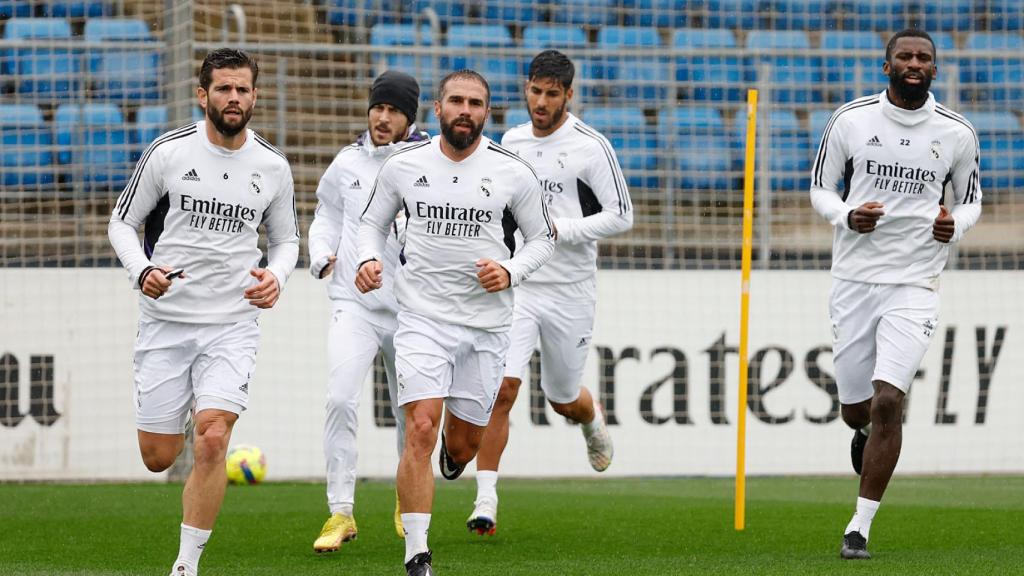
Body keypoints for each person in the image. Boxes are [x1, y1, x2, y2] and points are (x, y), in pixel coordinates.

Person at [355, 69, 555, 576]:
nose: (465, 110)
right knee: (420, 425)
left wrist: (510, 270)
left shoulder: (512, 172)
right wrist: (366, 259)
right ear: (438, 109)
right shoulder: (405, 165)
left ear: (486, 112)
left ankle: (455, 455)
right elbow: (372, 223)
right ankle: (417, 554)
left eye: (475, 103)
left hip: (487, 328)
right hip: (422, 318)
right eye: (456, 101)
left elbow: (542, 239)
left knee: (462, 445)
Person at [108, 48, 299, 576]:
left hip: (232, 324)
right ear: (203, 95)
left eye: (242, 89)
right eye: (223, 89)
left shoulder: (272, 165)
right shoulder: (169, 152)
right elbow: (122, 224)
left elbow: (286, 242)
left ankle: (186, 565)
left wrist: (277, 276)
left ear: (255, 96)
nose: (233, 98)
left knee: (213, 436)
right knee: (158, 456)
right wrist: (141, 270)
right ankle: (184, 418)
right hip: (167, 322)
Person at [810, 29, 981, 560]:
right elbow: (819, 188)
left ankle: (858, 527)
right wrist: (846, 215)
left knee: (890, 400)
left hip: (916, 282)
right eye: (905, 56)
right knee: (856, 408)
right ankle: (859, 433)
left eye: (923, 58)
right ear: (886, 65)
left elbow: (972, 200)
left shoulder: (956, 132)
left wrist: (958, 223)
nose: (914, 63)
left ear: (935, 68)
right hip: (855, 282)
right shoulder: (851, 119)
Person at [466, 49, 632, 536]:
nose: (541, 102)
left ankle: (590, 418)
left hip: (570, 290)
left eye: (551, 94)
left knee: (562, 398)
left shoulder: (590, 146)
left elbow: (622, 215)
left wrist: (563, 229)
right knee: (503, 389)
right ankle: (486, 500)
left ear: (568, 95)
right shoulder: (511, 140)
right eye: (535, 91)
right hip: (520, 284)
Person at [308, 70, 429, 553]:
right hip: (353, 304)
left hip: (413, 311)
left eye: (394, 110)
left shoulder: (429, 161)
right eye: (378, 107)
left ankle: (408, 497)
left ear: (409, 117)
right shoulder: (347, 161)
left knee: (413, 414)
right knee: (340, 399)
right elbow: (326, 214)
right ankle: (340, 512)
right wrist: (320, 255)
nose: (383, 117)